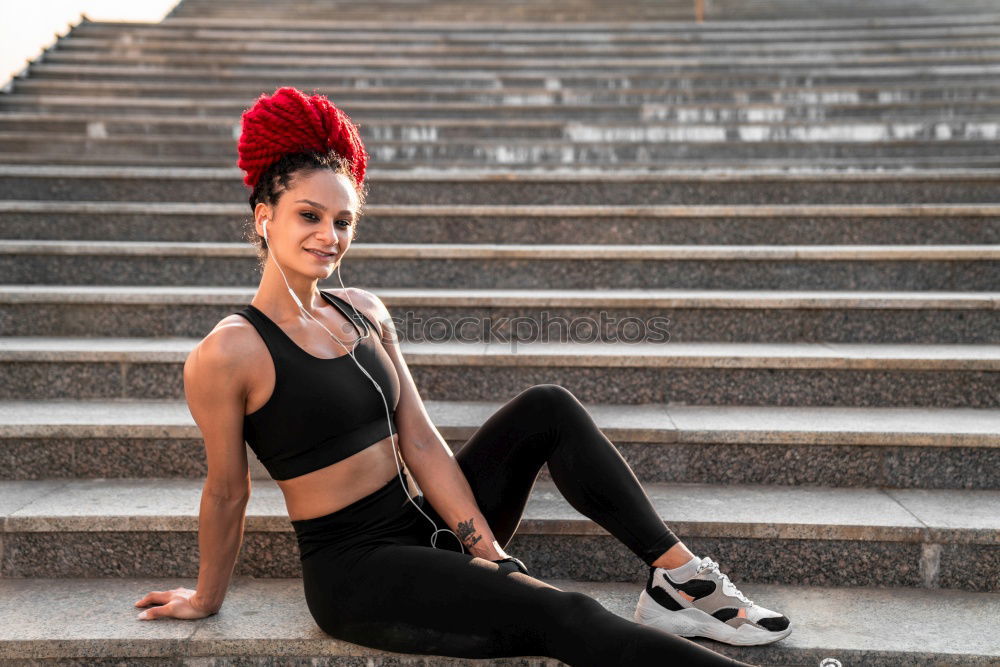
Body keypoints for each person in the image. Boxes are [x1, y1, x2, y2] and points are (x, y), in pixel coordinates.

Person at [133, 87, 789, 666]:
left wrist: (489, 553)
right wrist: (206, 596)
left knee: (547, 408)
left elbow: (419, 441)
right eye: (309, 215)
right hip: (356, 572)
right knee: (567, 613)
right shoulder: (230, 352)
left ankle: (680, 582)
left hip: (423, 523)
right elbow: (226, 491)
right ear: (264, 216)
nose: (329, 235)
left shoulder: (360, 309)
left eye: (343, 221)